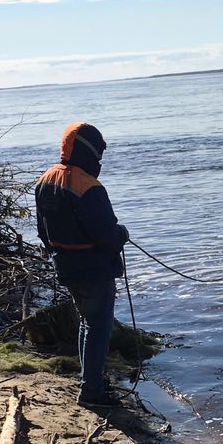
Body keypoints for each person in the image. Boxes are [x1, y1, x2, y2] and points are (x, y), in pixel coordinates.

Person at [35, 122, 130, 408]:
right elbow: (107, 236)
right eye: (99, 152)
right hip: (94, 269)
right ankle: (91, 392)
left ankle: (90, 382)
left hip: (65, 266)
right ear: (90, 151)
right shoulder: (88, 187)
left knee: (87, 325)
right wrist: (122, 235)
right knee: (98, 329)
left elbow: (42, 231)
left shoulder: (45, 179)